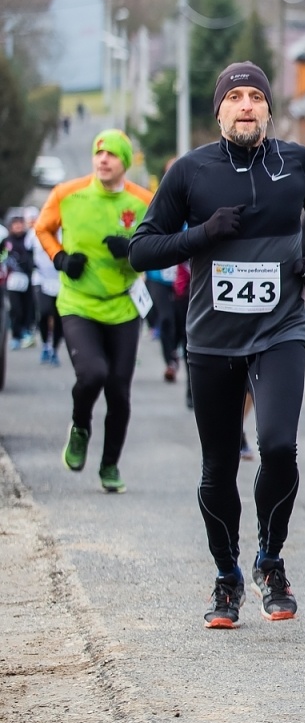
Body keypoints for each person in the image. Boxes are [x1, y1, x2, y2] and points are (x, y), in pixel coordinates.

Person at [130, 62, 305, 628]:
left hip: (280, 330)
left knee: (277, 447)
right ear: (219, 110)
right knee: (218, 466)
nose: (246, 105)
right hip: (212, 338)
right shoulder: (190, 172)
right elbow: (142, 250)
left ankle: (270, 560)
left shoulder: (296, 162)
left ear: (269, 109)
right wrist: (202, 234)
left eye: (256, 97)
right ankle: (226, 577)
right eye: (235, 97)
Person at [33, 130, 155, 492]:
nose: (103, 159)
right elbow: (43, 229)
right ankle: (81, 425)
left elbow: (160, 245)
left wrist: (133, 249)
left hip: (123, 305)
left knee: (119, 391)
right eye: (98, 153)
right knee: (92, 374)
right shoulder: (66, 194)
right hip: (78, 303)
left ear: (125, 163)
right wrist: (60, 258)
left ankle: (110, 465)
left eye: (112, 155)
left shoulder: (145, 200)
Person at [26, 212, 62, 366]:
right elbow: (26, 251)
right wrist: (30, 265)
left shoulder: (65, 233)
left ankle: (54, 349)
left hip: (59, 279)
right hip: (40, 278)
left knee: (58, 315)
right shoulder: (34, 233)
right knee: (44, 311)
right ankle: (45, 344)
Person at [4, 213, 36, 349]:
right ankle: (16, 336)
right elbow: (2, 257)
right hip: (13, 280)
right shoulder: (7, 242)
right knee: (16, 309)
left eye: (20, 223)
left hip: (28, 278)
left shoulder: (29, 239)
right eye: (15, 224)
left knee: (29, 308)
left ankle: (27, 332)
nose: (18, 226)